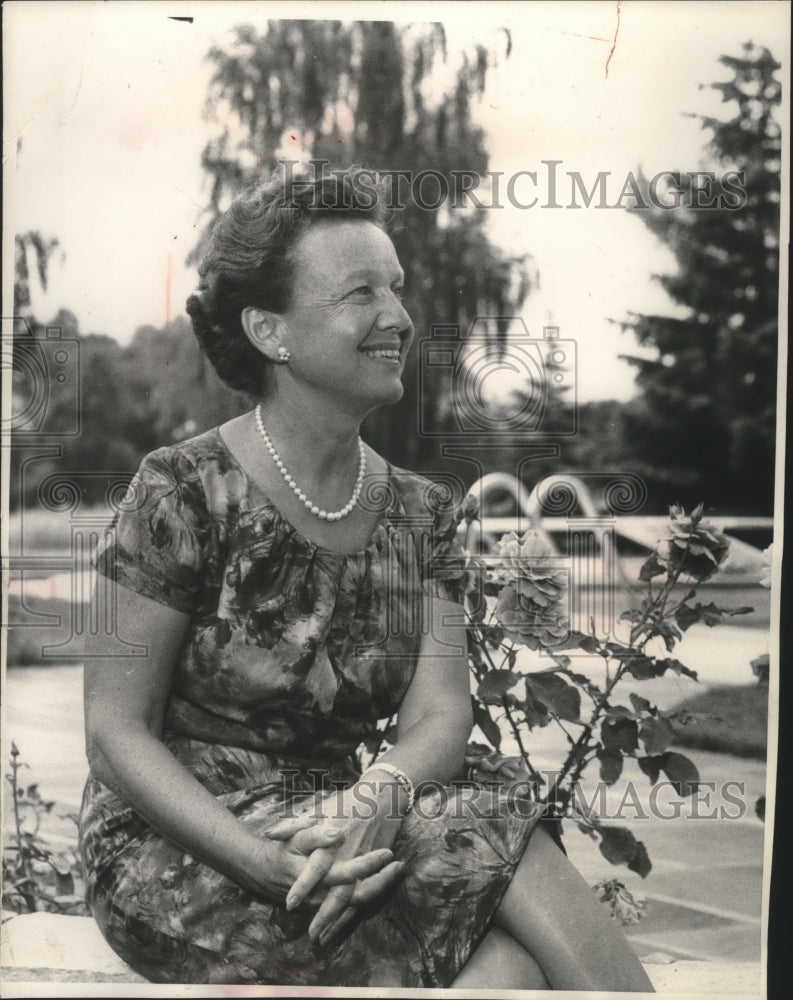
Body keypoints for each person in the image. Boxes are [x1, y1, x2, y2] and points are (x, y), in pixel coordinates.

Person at [79, 167, 654, 991]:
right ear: (269, 331)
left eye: (397, 287)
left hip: (346, 828)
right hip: (181, 844)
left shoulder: (422, 513)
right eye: (360, 293)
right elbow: (113, 730)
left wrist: (372, 797)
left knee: (510, 954)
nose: (399, 317)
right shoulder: (179, 490)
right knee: (500, 889)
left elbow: (439, 715)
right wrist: (262, 864)